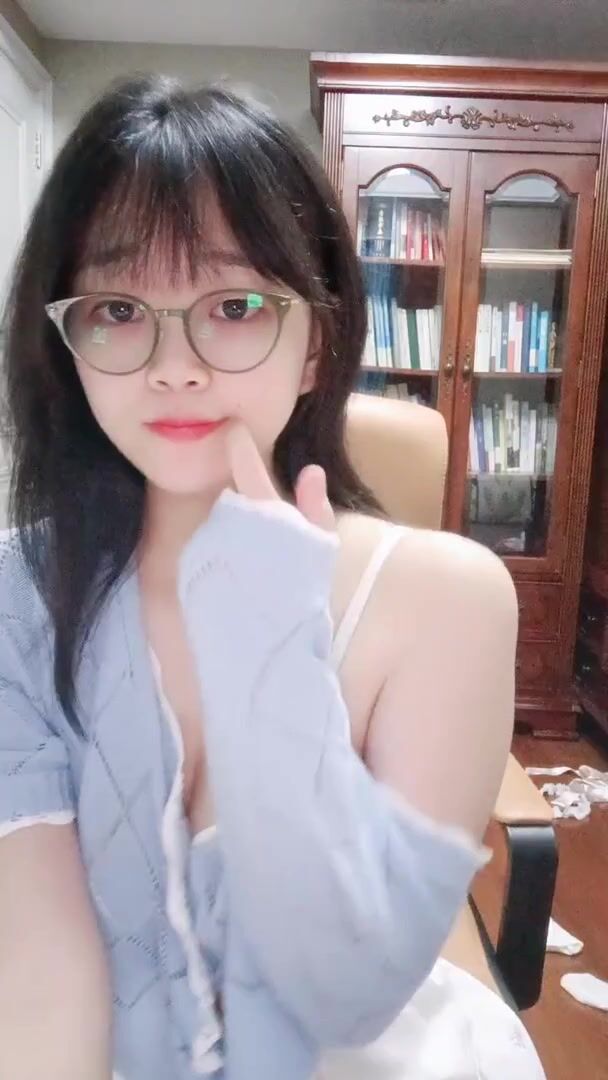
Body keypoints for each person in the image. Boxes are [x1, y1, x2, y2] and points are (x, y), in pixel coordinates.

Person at [0, 75, 545, 1080]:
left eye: (235, 305)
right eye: (118, 307)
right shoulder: (21, 594)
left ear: (315, 346)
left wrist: (275, 681)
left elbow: (347, 989)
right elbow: (42, 975)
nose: (173, 366)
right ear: (65, 344)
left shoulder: (447, 599)